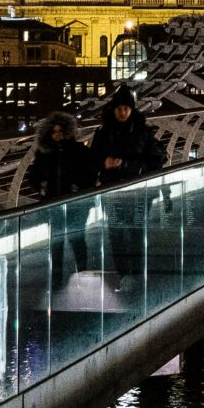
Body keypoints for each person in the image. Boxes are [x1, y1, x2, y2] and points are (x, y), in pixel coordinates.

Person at [87, 85, 167, 284]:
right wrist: (103, 163)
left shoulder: (143, 133)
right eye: (119, 108)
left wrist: (126, 165)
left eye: (126, 108)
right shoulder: (103, 133)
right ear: (113, 110)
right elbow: (90, 160)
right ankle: (123, 275)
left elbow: (155, 160)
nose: (122, 112)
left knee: (136, 233)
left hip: (139, 192)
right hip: (112, 191)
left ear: (132, 110)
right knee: (115, 234)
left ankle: (137, 275)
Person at [32, 111, 96, 283]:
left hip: (78, 202)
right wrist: (41, 186)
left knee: (77, 238)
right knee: (56, 242)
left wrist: (80, 187)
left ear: (68, 132)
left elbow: (91, 174)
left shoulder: (79, 151)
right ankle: (57, 280)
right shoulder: (44, 153)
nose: (58, 135)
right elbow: (34, 176)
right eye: (54, 131)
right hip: (54, 202)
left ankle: (82, 274)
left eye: (61, 131)